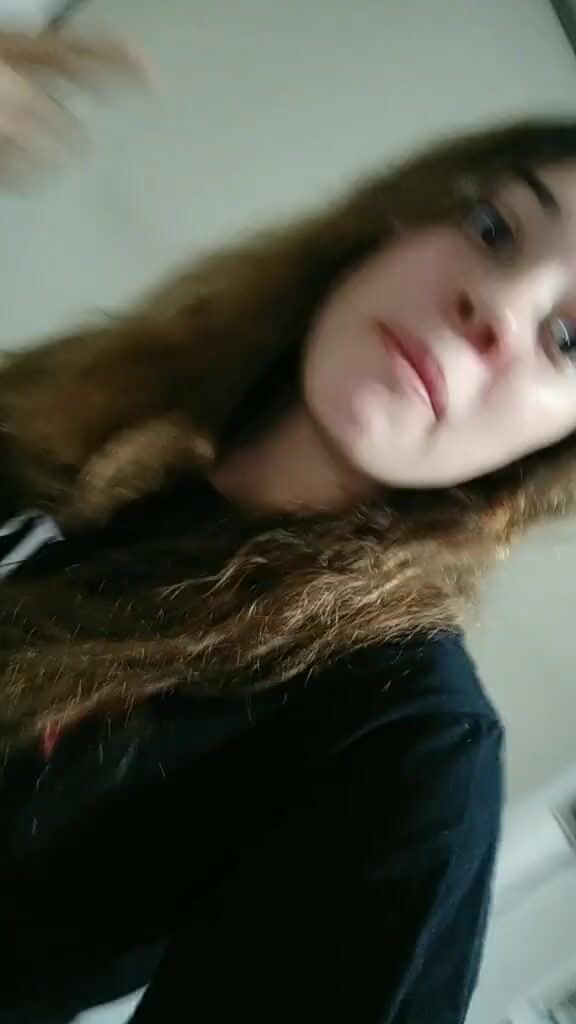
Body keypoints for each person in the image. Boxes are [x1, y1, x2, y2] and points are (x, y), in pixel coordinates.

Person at [2, 27, 576, 1024]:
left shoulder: (403, 743)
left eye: (570, 339)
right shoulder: (93, 413)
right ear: (397, 226)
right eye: (495, 228)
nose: (495, 302)